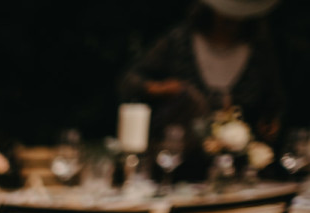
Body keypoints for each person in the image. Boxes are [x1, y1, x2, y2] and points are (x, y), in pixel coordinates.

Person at [120, 0, 284, 143]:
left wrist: (269, 123)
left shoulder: (259, 49)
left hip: (240, 163)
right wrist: (160, 88)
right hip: (179, 157)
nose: (231, 19)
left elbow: (273, 99)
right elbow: (129, 81)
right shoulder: (179, 40)